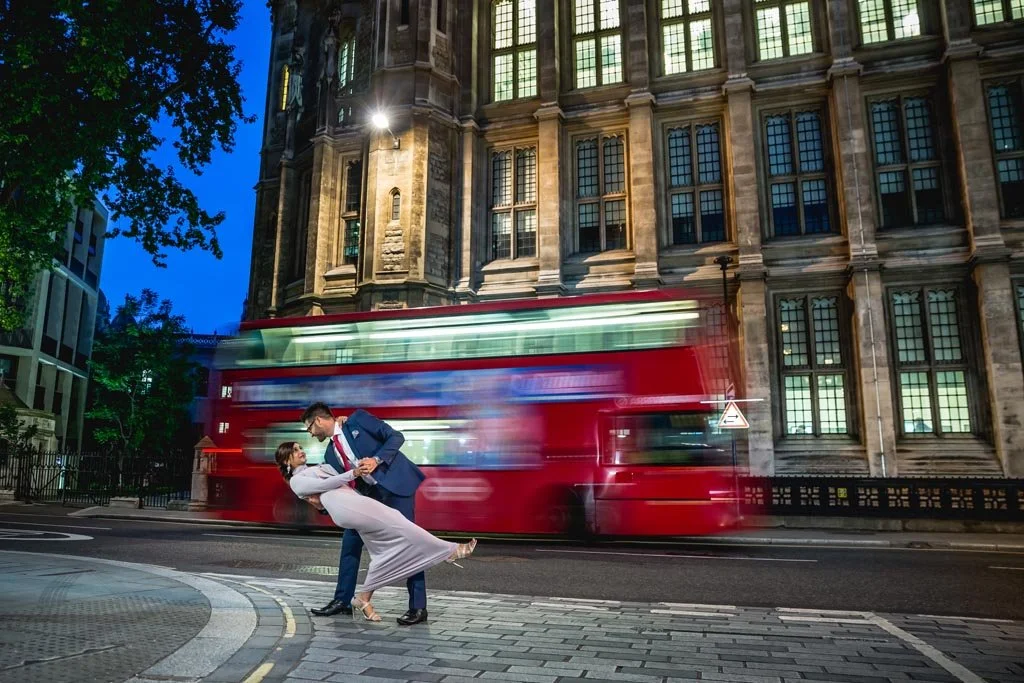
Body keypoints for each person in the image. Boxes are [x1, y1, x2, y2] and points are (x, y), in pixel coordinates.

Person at [276, 442, 477, 621]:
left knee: (379, 552)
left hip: (352, 502)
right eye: (295, 450)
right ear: (286, 460)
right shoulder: (296, 480)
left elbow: (334, 483)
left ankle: (364, 598)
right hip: (346, 506)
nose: (301, 451)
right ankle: (450, 550)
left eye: (300, 448)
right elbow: (325, 484)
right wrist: (353, 473)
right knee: (397, 521)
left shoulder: (319, 466)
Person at [300, 402, 432, 625]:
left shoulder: (358, 420)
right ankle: (342, 601)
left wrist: (376, 459)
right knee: (350, 540)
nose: (311, 434)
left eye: (309, 428)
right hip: (368, 496)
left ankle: (418, 607)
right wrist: (321, 504)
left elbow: (395, 437)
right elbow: (338, 486)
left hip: (396, 488)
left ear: (319, 421)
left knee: (410, 543)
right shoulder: (330, 454)